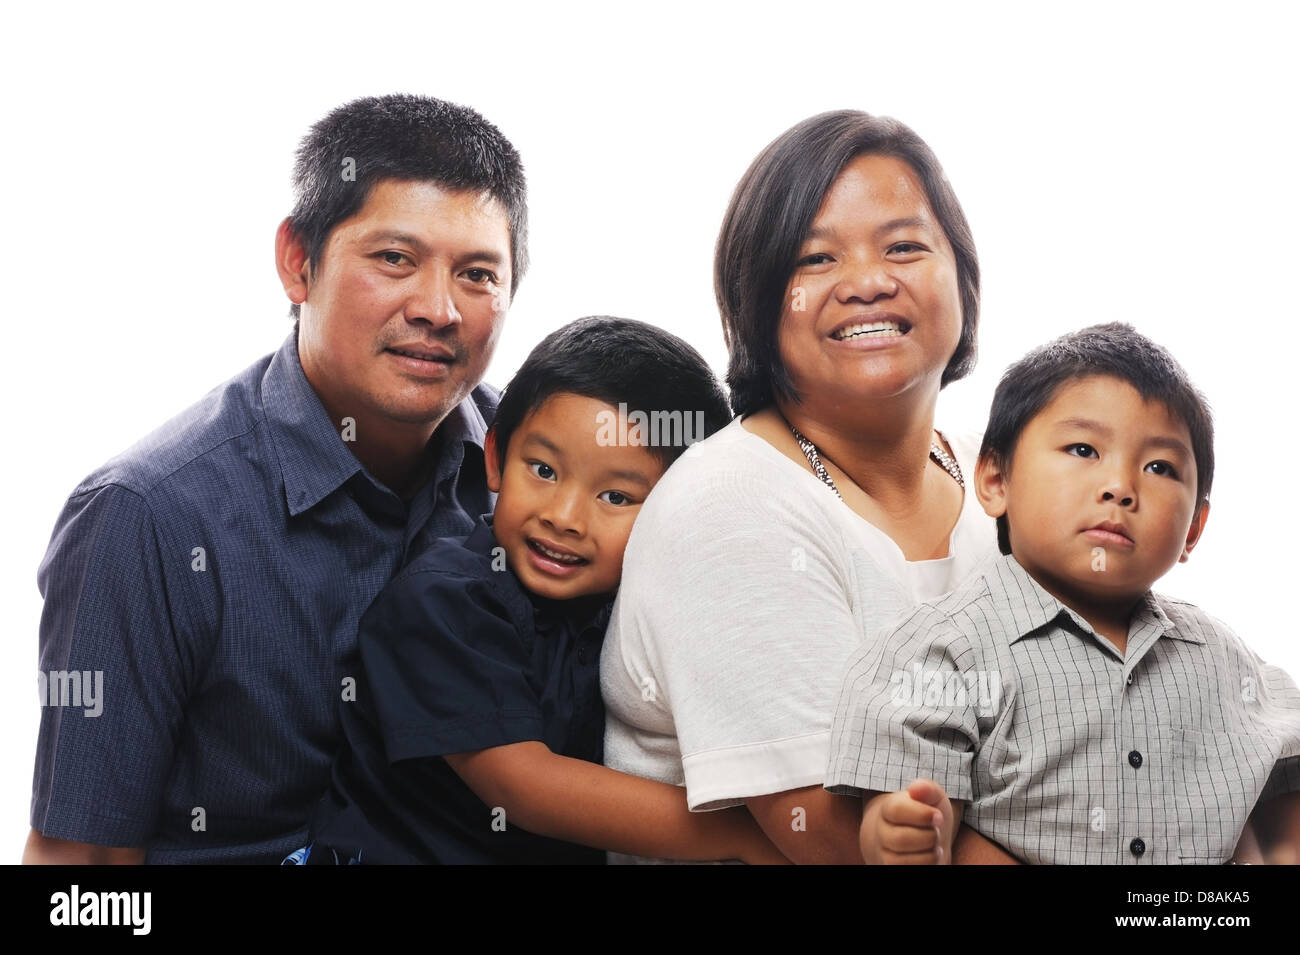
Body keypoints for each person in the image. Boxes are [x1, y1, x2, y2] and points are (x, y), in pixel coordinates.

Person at [26, 94, 528, 864]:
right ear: (298, 262)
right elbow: (78, 870)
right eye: (394, 258)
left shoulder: (537, 476)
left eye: (477, 274)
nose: (438, 309)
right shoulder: (146, 517)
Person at [600, 110, 1001, 863]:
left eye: (905, 246)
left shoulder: (1003, 478)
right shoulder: (730, 504)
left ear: (963, 275)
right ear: (757, 303)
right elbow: (832, 841)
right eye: (815, 260)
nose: (868, 283)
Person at [294, 317, 786, 864]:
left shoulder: (641, 605)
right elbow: (523, 787)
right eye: (544, 470)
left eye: (616, 498)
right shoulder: (441, 603)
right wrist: (744, 835)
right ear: (496, 458)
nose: (565, 517)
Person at [831, 323, 1300, 865]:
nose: (1120, 486)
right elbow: (908, 808)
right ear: (995, 479)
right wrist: (898, 831)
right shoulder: (940, 653)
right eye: (1083, 449)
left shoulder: (1221, 656)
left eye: (1160, 467)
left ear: (1194, 528)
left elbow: (1283, 773)